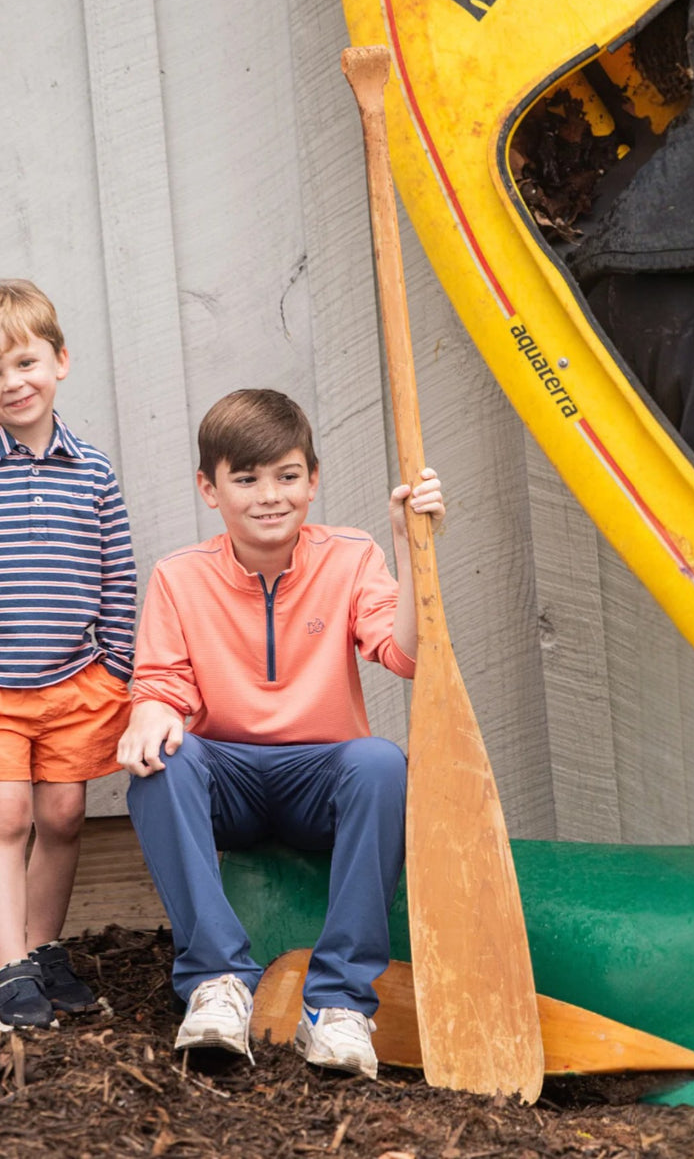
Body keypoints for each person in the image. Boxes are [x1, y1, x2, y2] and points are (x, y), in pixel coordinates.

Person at [116, 388, 444, 1077]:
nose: (270, 496)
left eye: (287, 477)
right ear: (210, 489)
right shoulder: (180, 578)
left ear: (313, 480)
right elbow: (162, 687)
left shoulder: (349, 559)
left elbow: (408, 655)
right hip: (226, 783)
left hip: (319, 780)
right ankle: (218, 982)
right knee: (162, 766)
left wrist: (412, 550)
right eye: (246, 479)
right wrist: (151, 710)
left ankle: (340, 1005)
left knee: (381, 761)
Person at [0, 279, 136, 1032]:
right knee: (5, 815)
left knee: (65, 813)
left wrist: (117, 664)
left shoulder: (94, 471)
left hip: (76, 680)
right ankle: (10, 973)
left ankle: (44, 952)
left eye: (26, 363)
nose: (14, 384)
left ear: (60, 360)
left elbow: (118, 574)